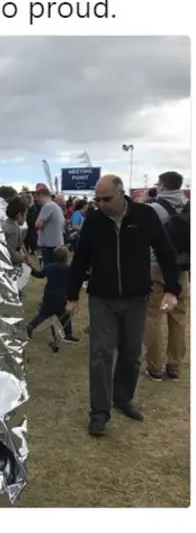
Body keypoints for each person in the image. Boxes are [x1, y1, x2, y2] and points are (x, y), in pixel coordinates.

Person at [66, 175, 180, 437]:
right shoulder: (94, 221)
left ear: (121, 194)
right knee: (101, 354)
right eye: (97, 199)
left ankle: (123, 399)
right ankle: (99, 413)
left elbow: (165, 251)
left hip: (136, 297)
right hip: (101, 298)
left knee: (131, 354)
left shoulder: (145, 216)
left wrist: (173, 288)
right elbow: (80, 259)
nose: (101, 204)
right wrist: (72, 295)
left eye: (106, 199)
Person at [144, 171, 190, 380]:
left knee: (153, 316)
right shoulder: (189, 206)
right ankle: (175, 366)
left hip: (156, 266)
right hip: (182, 267)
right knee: (178, 317)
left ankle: (155, 366)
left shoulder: (153, 209)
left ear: (162, 185)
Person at [26, 246, 78, 343]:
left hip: (49, 295)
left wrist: (30, 266)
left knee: (43, 314)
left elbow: (38, 274)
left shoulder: (49, 267)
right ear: (66, 257)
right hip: (62, 296)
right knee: (65, 315)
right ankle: (68, 334)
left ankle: (31, 326)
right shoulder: (68, 269)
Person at [34, 186, 64, 265]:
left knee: (49, 270)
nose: (36, 201)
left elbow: (37, 225)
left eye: (37, 198)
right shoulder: (57, 207)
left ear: (41, 196)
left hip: (49, 245)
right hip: (58, 243)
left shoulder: (47, 206)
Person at [2, 197, 27, 267]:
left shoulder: (5, 222)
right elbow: (11, 255)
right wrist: (23, 258)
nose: (26, 217)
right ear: (19, 215)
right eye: (25, 214)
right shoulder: (13, 230)